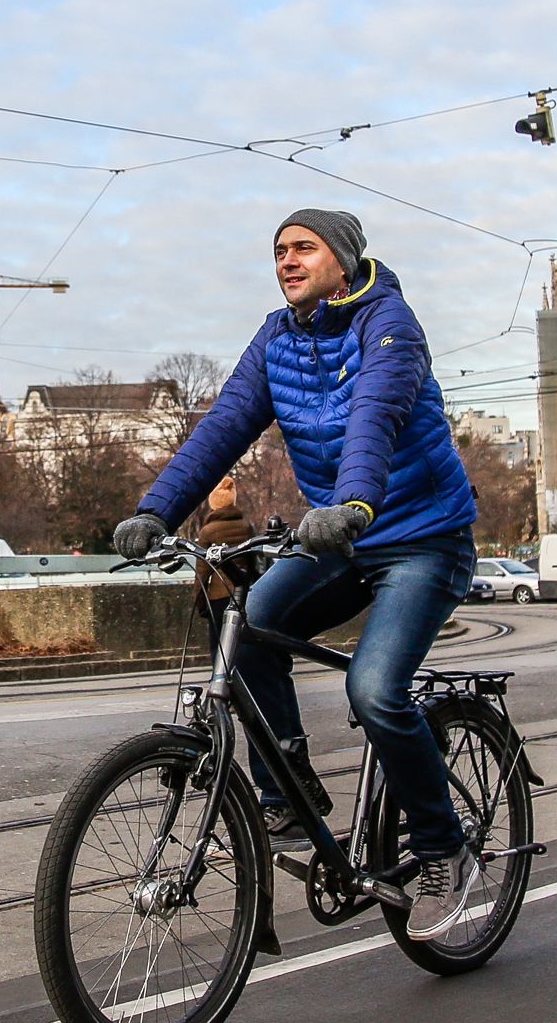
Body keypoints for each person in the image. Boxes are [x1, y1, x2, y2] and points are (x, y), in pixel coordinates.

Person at [111, 209, 482, 942]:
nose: (287, 260)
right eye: (278, 251)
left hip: (421, 539)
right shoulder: (277, 338)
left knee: (374, 688)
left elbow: (375, 416)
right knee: (245, 630)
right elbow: (222, 428)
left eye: (303, 248)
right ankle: (286, 792)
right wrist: (156, 510)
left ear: (341, 261)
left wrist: (351, 501)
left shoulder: (389, 326)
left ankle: (445, 852)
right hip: (339, 538)